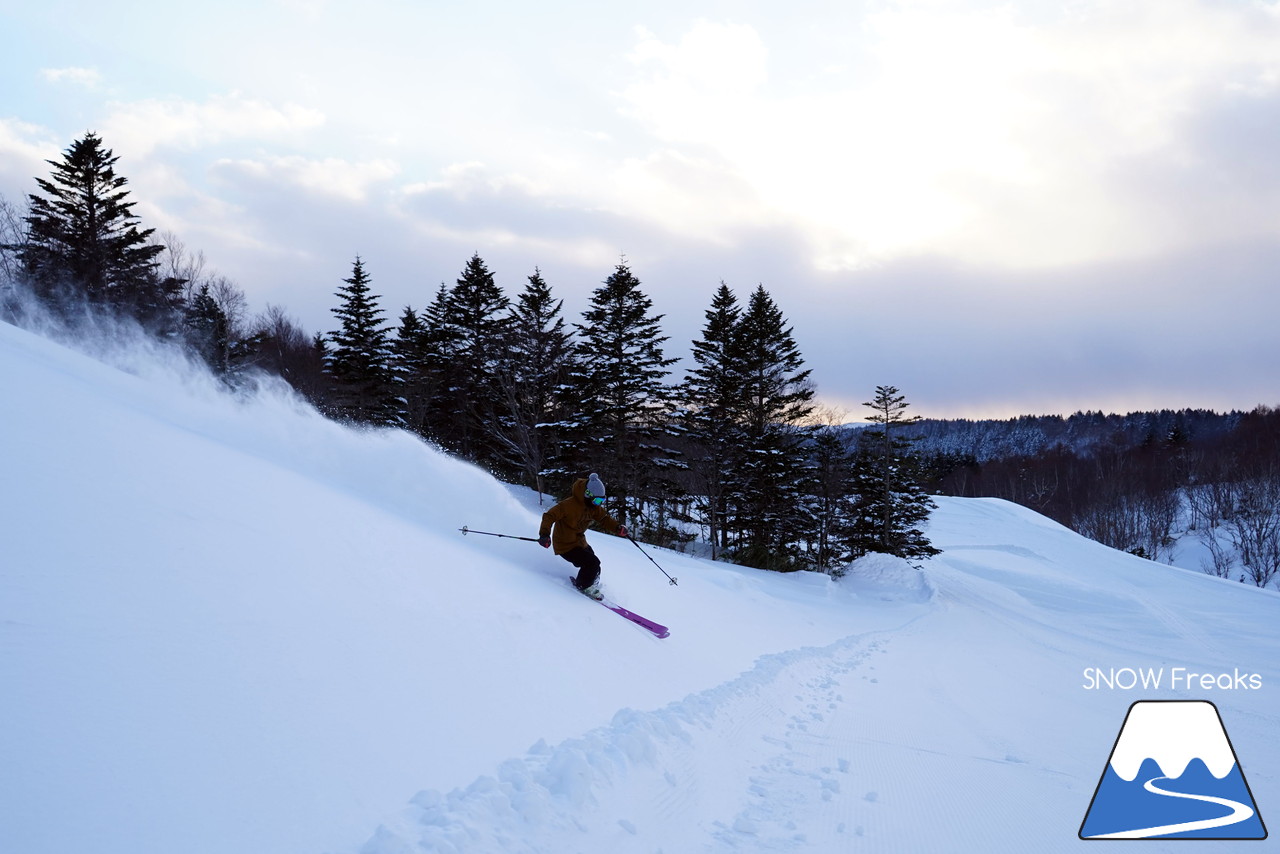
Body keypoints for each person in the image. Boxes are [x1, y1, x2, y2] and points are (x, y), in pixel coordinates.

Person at [539, 472, 628, 599]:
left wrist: (617, 528)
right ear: (587, 495)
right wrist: (544, 535)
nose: (599, 504)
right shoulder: (568, 505)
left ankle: (591, 583)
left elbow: (604, 518)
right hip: (565, 544)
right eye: (597, 500)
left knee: (594, 562)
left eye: (601, 500)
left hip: (579, 542)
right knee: (592, 562)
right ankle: (584, 586)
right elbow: (549, 516)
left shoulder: (593, 507)